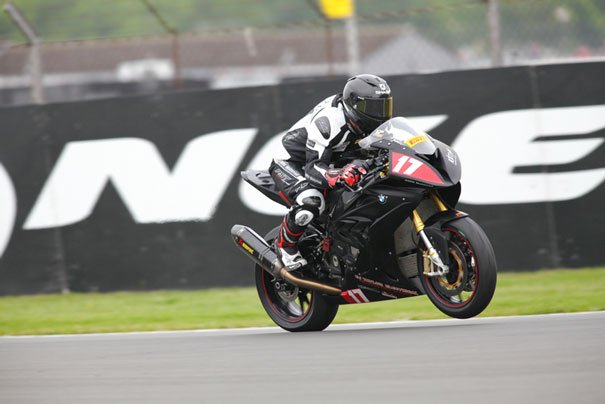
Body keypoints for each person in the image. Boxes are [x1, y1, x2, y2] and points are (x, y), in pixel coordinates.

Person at [269, 74, 393, 269]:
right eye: (373, 108)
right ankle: (285, 247)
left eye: (384, 106)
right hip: (293, 163)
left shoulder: (373, 124)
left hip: (332, 159)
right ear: (354, 105)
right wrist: (341, 174)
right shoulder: (330, 122)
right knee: (312, 201)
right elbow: (313, 169)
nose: (380, 114)